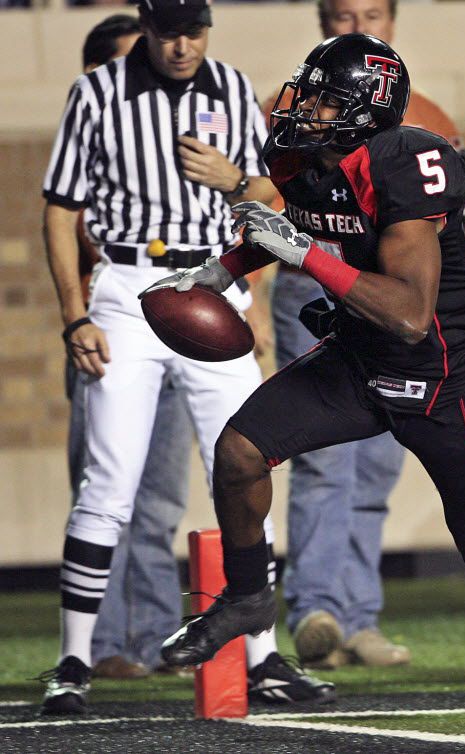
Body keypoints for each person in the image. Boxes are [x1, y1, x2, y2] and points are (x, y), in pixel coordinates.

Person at [157, 34, 465, 724]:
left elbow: (410, 313)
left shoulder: (408, 161)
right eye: (307, 90)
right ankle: (248, 595)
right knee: (238, 453)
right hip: (358, 357)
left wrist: (308, 254)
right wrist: (221, 271)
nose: (306, 106)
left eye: (325, 97)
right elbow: (292, 223)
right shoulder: (296, 156)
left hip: (440, 374)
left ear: (368, 109)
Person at [38, 0, 333, 714]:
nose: (181, 45)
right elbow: (58, 208)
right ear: (148, 23)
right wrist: (73, 313)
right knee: (107, 482)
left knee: (244, 464)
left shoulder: (233, 89)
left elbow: (273, 197)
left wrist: (234, 183)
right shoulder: (99, 91)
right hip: (129, 284)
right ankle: (73, 660)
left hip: (213, 280)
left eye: (193, 30)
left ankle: (261, 661)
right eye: (169, 31)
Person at [271, 0, 465, 671]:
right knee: (321, 454)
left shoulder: (427, 118)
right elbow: (272, 214)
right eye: (342, 12)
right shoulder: (294, 105)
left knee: (379, 458)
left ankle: (357, 612)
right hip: (313, 282)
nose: (353, 23)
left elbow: (459, 226)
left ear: (392, 22)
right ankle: (317, 607)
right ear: (322, 20)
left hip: (390, 289)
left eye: (369, 12)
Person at [64, 12, 191, 682]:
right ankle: (101, 642)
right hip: (110, 328)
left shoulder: (174, 136)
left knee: (163, 498)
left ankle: (154, 636)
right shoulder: (87, 145)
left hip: (184, 323)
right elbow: (84, 232)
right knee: (107, 488)